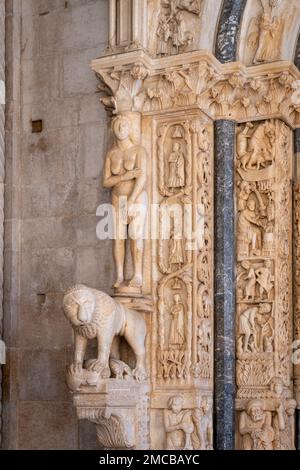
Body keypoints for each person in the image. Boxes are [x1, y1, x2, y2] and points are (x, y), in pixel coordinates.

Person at [103, 115, 147, 291]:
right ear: (113, 129)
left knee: (136, 235)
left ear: (130, 129)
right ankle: (120, 275)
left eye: (124, 124)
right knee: (118, 238)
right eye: (118, 125)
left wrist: (131, 200)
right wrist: (123, 176)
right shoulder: (111, 154)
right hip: (116, 198)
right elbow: (105, 182)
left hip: (136, 198)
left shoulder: (138, 151)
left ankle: (137, 274)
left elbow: (142, 177)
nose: (121, 128)